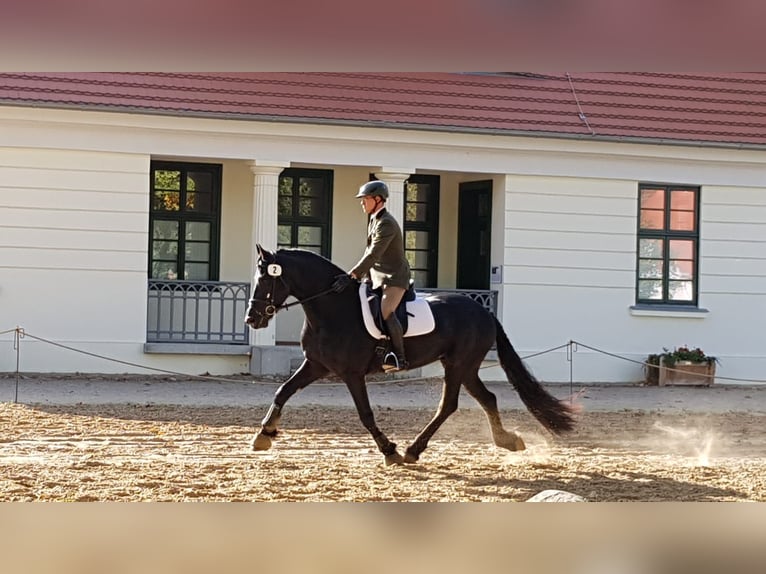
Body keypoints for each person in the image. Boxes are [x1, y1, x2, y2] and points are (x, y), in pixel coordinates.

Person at [332, 180, 411, 372]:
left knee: (385, 311)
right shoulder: (374, 220)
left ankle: (399, 358)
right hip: (377, 276)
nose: (362, 203)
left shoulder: (387, 224)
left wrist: (353, 274)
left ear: (378, 199)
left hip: (394, 277)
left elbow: (373, 254)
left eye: (365, 199)